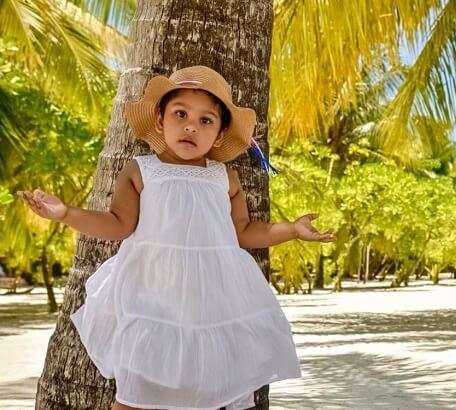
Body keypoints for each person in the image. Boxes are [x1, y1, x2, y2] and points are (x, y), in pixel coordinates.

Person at [18, 66, 333, 410]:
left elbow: (244, 232)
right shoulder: (141, 170)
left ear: (220, 131)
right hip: (153, 301)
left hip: (215, 304)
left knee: (218, 388)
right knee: (135, 394)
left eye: (206, 120)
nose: (190, 126)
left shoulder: (224, 176)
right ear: (159, 119)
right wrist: (65, 213)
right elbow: (118, 224)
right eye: (180, 114)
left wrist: (292, 230)